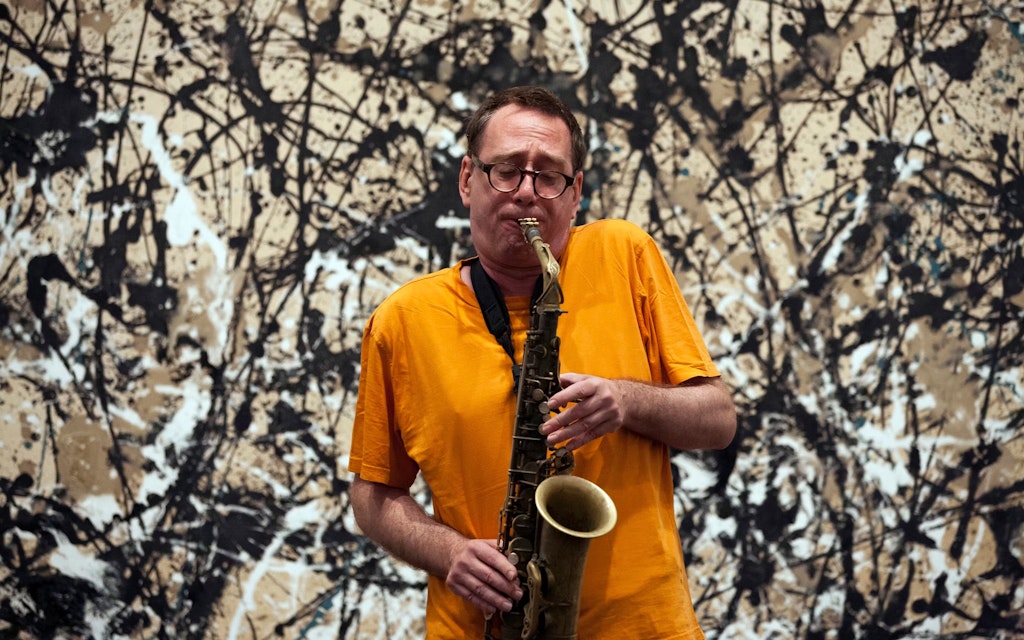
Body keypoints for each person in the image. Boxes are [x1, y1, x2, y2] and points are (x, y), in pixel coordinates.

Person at [348, 85, 736, 639]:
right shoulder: (402, 320)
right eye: (506, 170)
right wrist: (449, 552)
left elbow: (718, 419)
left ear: (575, 194)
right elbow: (373, 496)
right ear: (467, 179)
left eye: (549, 175)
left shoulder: (624, 253)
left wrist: (626, 401)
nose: (526, 193)